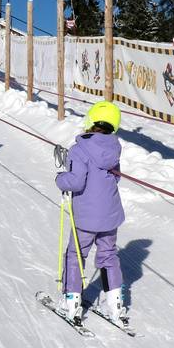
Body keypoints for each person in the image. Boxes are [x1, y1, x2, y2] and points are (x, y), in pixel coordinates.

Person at [54, 101, 126, 326]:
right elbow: (115, 177)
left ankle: (71, 302)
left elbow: (76, 182)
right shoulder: (114, 147)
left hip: (86, 216)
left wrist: (60, 179)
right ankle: (114, 304)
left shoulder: (80, 149)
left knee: (76, 254)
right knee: (109, 254)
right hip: (110, 214)